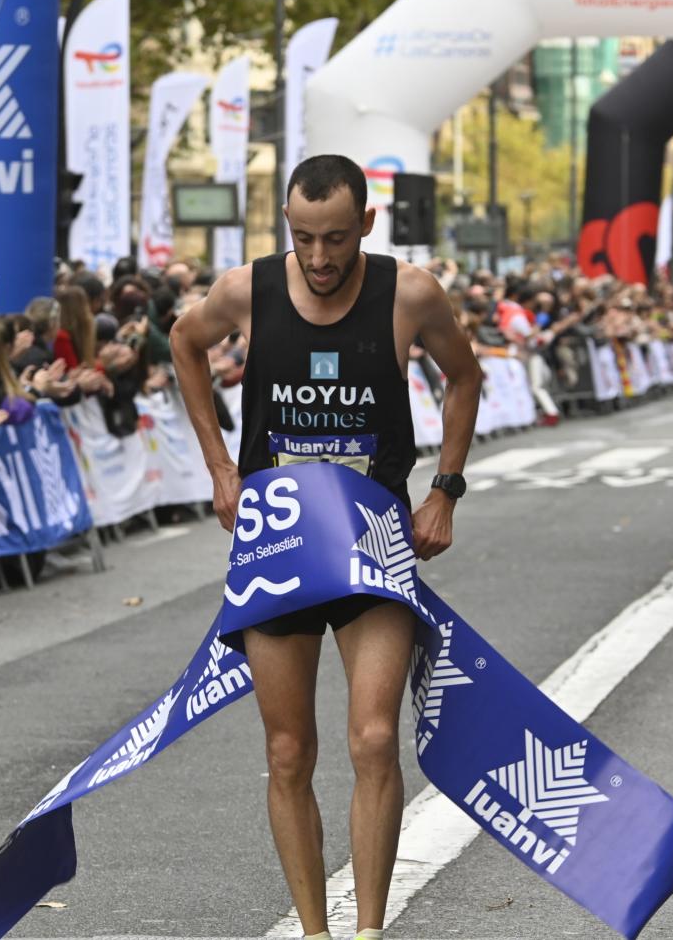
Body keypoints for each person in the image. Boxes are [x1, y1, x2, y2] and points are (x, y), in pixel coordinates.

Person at [168, 154, 483, 940]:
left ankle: (369, 932)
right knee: (287, 752)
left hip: (375, 541)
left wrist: (445, 489)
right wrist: (219, 467)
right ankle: (316, 932)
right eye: (303, 238)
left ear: (366, 227)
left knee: (374, 738)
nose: (318, 258)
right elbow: (184, 342)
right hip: (278, 546)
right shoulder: (246, 291)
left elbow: (464, 376)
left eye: (336, 239)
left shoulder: (409, 293)